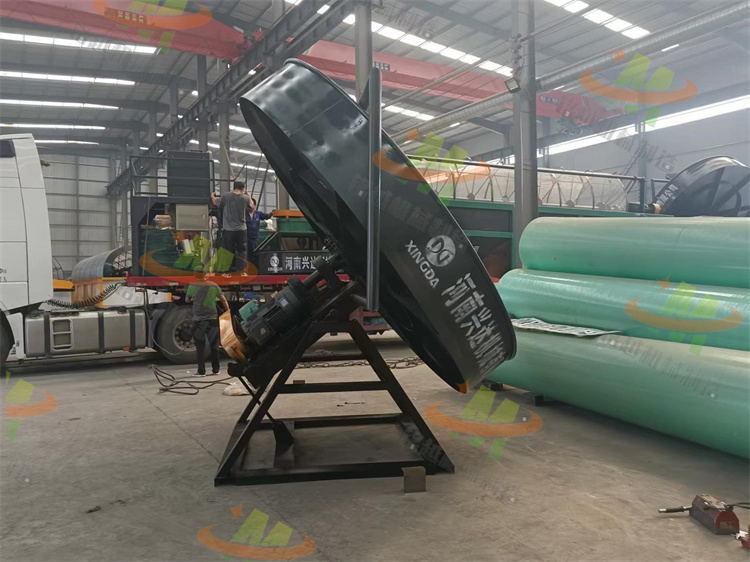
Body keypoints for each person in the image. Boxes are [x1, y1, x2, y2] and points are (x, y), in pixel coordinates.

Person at [185, 266, 229, 377]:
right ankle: (216, 369)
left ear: (195, 275)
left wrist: (194, 298)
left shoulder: (192, 286)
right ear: (205, 274)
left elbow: (187, 300)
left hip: (199, 320)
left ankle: (201, 371)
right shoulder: (214, 285)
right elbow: (223, 300)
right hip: (212, 319)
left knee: (200, 346)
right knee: (214, 344)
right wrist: (227, 311)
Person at [211, 181, 254, 274]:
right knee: (242, 251)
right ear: (242, 189)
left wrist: (212, 196)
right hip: (241, 230)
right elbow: (252, 207)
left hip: (228, 230)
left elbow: (216, 203)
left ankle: (227, 272)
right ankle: (242, 272)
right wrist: (249, 196)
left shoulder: (226, 196)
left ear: (234, 187)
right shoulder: (245, 198)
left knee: (227, 251)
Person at [245, 197, 274, 265]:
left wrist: (272, 213)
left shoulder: (258, 214)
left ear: (255, 206)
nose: (250, 207)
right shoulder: (243, 214)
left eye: (251, 205)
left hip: (255, 238)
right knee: (246, 255)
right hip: (246, 238)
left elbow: (266, 216)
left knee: (255, 255)